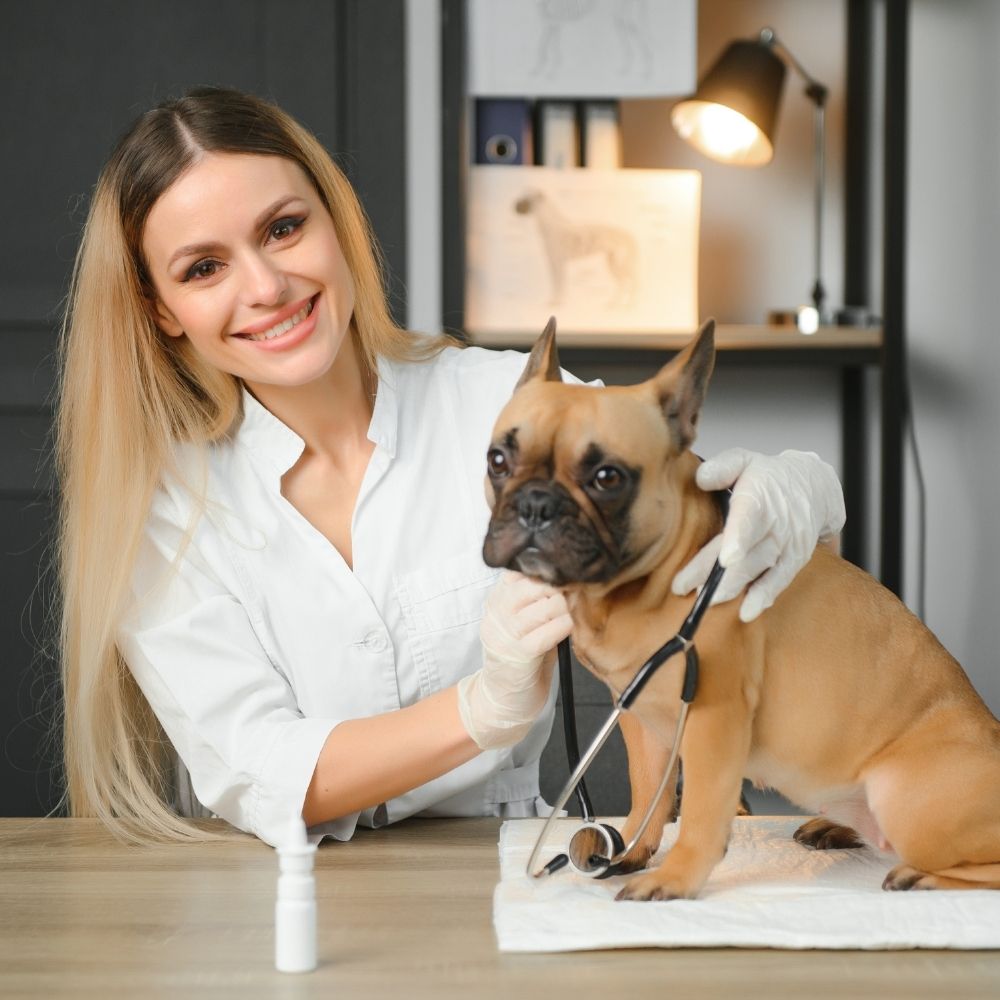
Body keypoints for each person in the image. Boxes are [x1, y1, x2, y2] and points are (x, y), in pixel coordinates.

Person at [55, 86, 845, 847]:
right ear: (161, 309)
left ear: (336, 223)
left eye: (284, 229)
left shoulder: (504, 403)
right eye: (203, 268)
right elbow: (259, 768)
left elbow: (698, 500)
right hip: (270, 901)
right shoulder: (162, 506)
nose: (265, 287)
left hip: (496, 874)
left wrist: (801, 486)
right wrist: (482, 708)